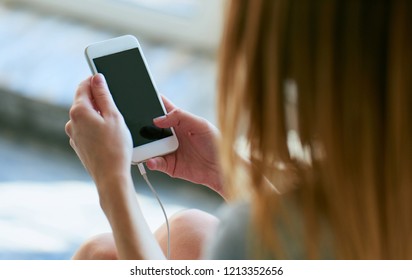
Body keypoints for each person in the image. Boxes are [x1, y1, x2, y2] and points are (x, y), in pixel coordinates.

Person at [65, 0, 412, 259]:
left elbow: (285, 241)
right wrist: (224, 172)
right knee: (187, 231)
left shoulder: (246, 238)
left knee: (99, 257)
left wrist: (112, 180)